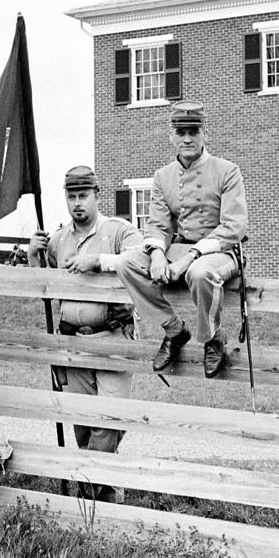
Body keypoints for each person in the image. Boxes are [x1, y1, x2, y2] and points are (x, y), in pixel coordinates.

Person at [28, 165, 142, 503]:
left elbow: (142, 258)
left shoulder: (119, 231)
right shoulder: (60, 239)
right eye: (72, 196)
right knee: (80, 423)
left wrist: (100, 261)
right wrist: (36, 255)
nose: (78, 203)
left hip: (113, 339)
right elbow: (44, 285)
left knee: (108, 421)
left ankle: (90, 488)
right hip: (73, 343)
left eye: (83, 196)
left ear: (96, 195)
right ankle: (102, 494)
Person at [117, 102, 248, 379]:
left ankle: (214, 338)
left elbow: (233, 226)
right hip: (179, 248)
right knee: (128, 262)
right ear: (171, 136)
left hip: (221, 251)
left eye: (193, 131)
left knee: (200, 274)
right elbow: (157, 225)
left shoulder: (228, 171)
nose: (187, 138)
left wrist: (190, 258)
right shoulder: (162, 176)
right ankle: (174, 329)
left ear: (204, 134)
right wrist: (156, 255)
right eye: (180, 132)